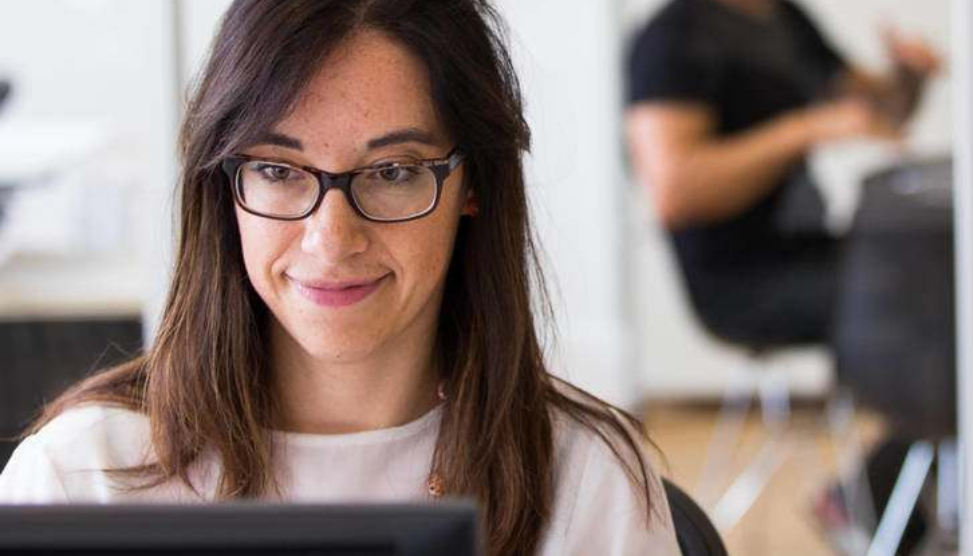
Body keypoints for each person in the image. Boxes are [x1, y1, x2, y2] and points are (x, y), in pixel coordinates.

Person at [0, 2, 678, 555]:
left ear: (474, 184)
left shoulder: (590, 483)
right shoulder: (81, 477)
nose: (332, 238)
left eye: (392, 172)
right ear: (223, 187)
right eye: (276, 169)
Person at [624, 0, 942, 550]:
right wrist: (804, 129)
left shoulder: (784, 19)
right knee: (941, 303)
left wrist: (910, 79)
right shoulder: (673, 38)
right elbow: (675, 190)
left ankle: (887, 498)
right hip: (741, 281)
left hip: (805, 246)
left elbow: (877, 109)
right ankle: (878, 501)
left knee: (950, 278)